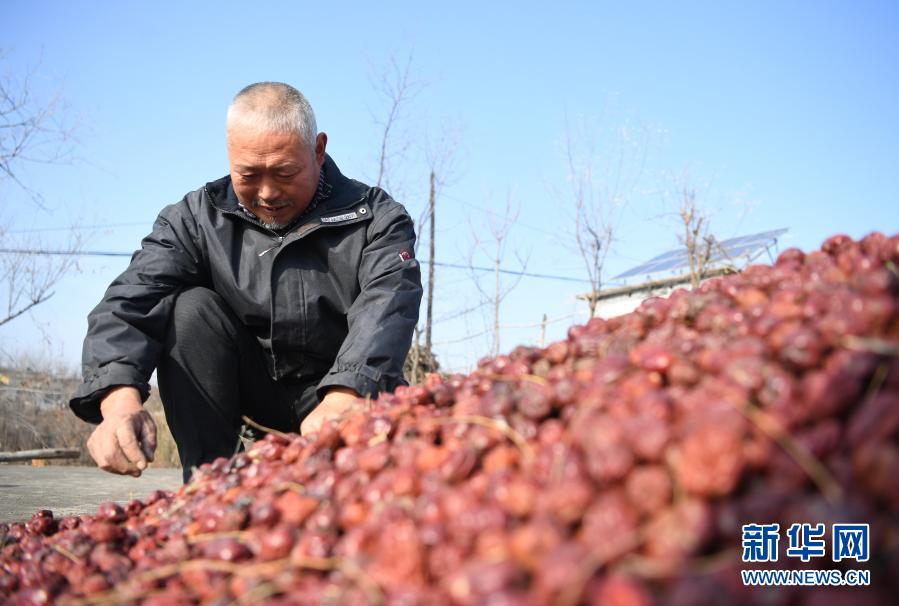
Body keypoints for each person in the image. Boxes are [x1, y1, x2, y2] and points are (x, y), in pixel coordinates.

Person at [69, 82, 423, 482]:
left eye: (285, 172)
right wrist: (117, 401)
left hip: (343, 396)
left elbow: (388, 301)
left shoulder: (376, 218)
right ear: (230, 155)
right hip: (250, 396)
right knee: (189, 310)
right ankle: (208, 484)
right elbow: (132, 300)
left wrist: (348, 392)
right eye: (248, 174)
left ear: (318, 150)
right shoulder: (196, 220)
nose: (268, 193)